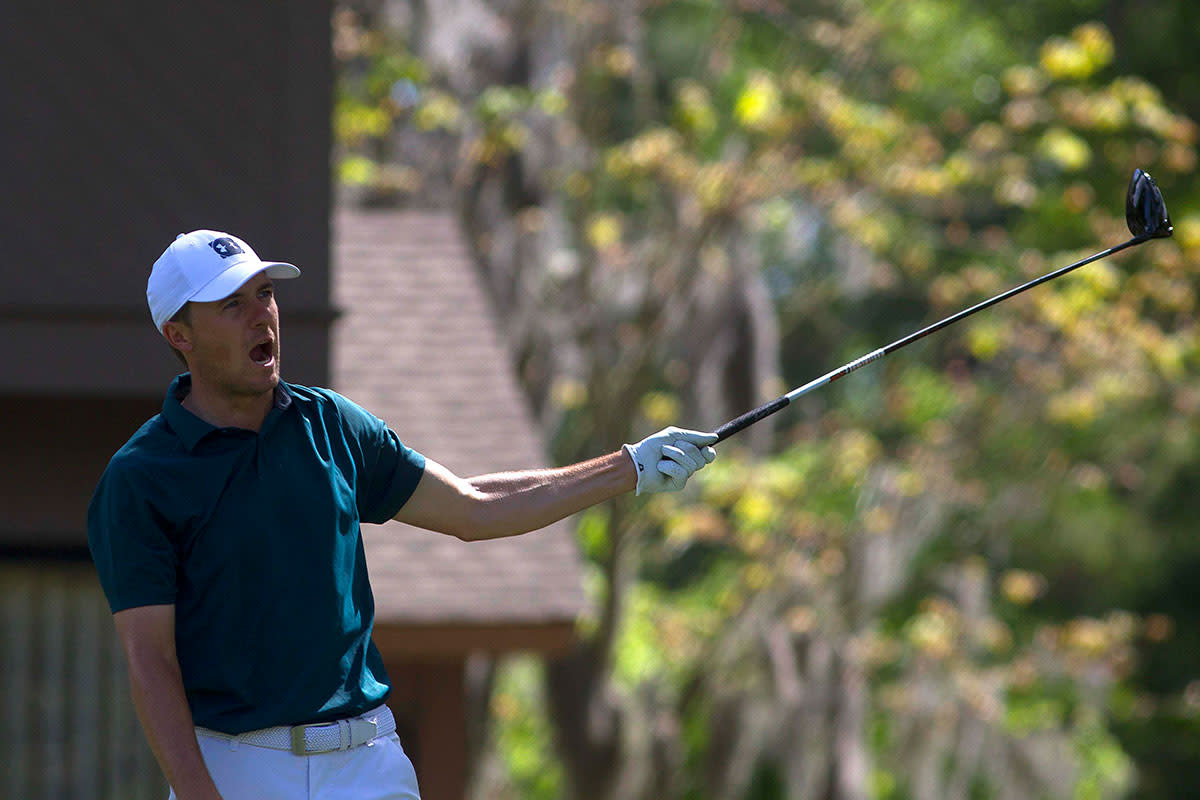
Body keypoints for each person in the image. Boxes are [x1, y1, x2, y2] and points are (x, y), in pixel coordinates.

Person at [87, 229, 718, 800]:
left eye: (265, 295)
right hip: (235, 769)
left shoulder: (330, 424)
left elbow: (473, 507)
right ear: (179, 334)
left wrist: (631, 465)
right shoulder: (142, 479)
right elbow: (151, 660)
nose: (263, 316)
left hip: (366, 764)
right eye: (233, 305)